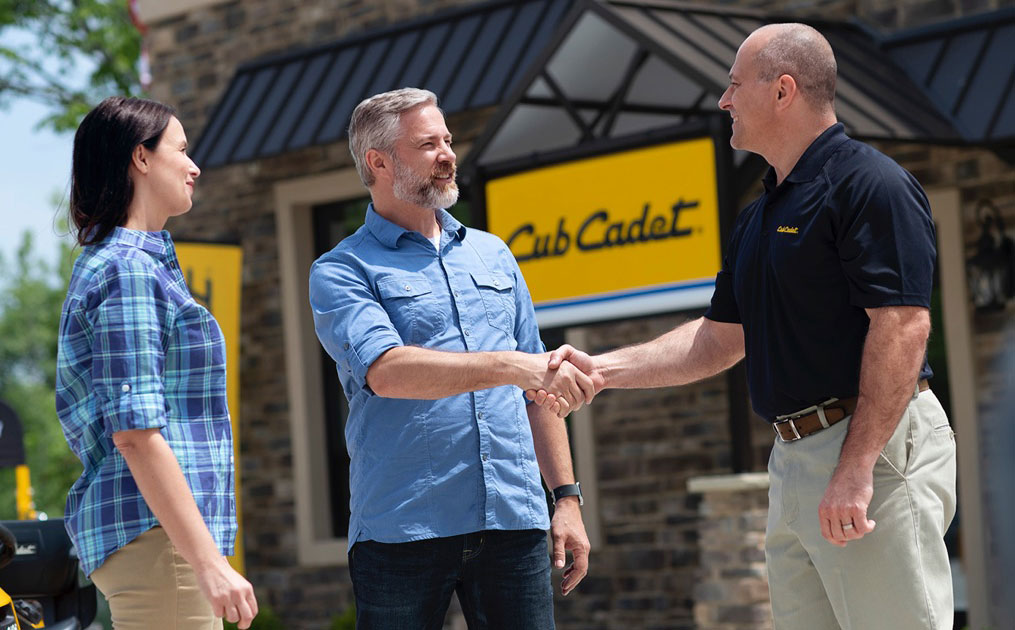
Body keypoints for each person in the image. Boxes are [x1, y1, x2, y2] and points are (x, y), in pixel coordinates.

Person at [532, 23, 956, 630]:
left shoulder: (871, 184)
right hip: (794, 457)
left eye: (734, 85)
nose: (723, 100)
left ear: (783, 90)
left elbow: (903, 326)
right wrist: (599, 371)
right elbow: (719, 338)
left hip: (870, 449)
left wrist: (856, 467)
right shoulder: (759, 216)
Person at [309, 88, 593, 629]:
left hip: (513, 520)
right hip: (403, 529)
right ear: (378, 162)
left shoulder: (494, 254)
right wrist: (511, 365)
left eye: (448, 140)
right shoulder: (341, 270)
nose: (447, 155)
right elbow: (387, 371)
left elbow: (540, 391)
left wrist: (566, 498)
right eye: (427, 144)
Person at [56, 97, 258, 630]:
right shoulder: (127, 271)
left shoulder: (125, 265)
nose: (195, 167)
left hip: (157, 540)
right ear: (140, 158)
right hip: (158, 539)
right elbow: (135, 434)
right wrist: (208, 563)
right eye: (182, 150)